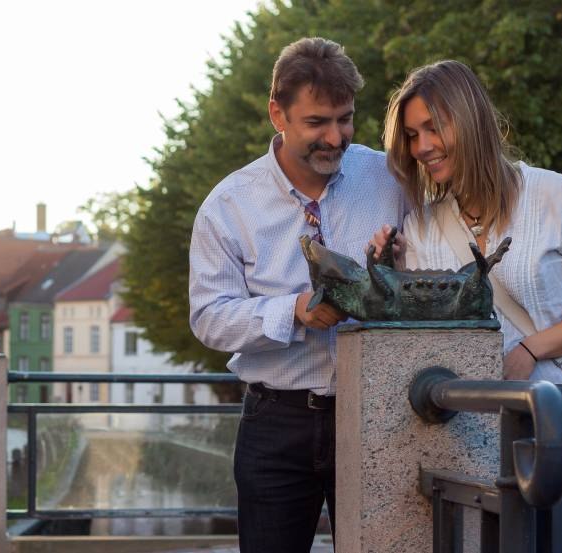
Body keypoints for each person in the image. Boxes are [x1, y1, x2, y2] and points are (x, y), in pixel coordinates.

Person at [373, 59, 562, 553]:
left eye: (434, 127)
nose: (422, 146)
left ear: (470, 120)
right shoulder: (423, 227)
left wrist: (530, 350)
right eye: (411, 134)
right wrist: (397, 275)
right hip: (479, 446)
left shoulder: (560, 197)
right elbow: (431, 334)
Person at [189, 37, 407, 552]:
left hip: (379, 413)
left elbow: (427, 267)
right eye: (317, 123)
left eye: (345, 118)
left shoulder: (391, 178)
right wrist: (292, 312)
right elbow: (208, 319)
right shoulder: (227, 206)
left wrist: (397, 268)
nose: (335, 137)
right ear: (277, 114)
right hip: (276, 426)